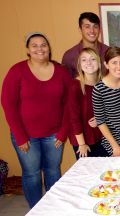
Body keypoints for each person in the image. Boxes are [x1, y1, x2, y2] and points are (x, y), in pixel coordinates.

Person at [1, 32, 71, 208]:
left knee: (53, 172)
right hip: (26, 137)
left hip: (54, 136)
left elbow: (69, 104)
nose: (40, 48)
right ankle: (37, 209)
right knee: (32, 174)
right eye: (34, 45)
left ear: (49, 47)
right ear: (28, 49)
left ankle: (53, 207)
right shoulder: (17, 71)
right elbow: (8, 104)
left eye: (43, 44)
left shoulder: (61, 72)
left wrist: (62, 133)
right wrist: (20, 136)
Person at [67, 48, 108, 159]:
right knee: (88, 174)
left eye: (92, 59)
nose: (88, 63)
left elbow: (109, 109)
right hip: (83, 140)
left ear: (99, 63)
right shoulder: (74, 86)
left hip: (103, 137)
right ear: (79, 65)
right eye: (84, 60)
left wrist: (100, 118)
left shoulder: (104, 84)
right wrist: (82, 144)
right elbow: (73, 118)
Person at [62, 12, 109, 78]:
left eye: (95, 26)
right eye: (87, 27)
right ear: (80, 30)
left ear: (99, 29)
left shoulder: (109, 52)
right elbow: (67, 83)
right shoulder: (69, 56)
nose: (92, 31)